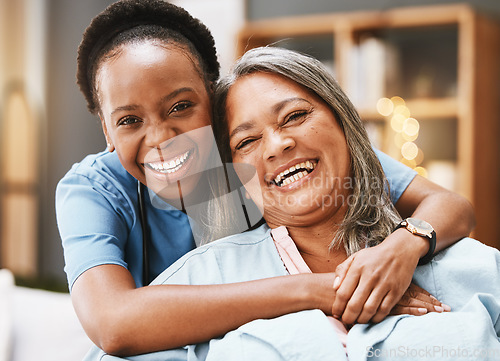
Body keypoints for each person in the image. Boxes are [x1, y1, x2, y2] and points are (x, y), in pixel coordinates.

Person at [56, 0, 475, 357]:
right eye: (129, 120)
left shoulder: (256, 147)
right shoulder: (94, 190)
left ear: (214, 98)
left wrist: (400, 249)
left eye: (181, 107)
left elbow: (450, 205)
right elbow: (112, 322)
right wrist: (321, 291)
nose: (162, 138)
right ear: (107, 131)